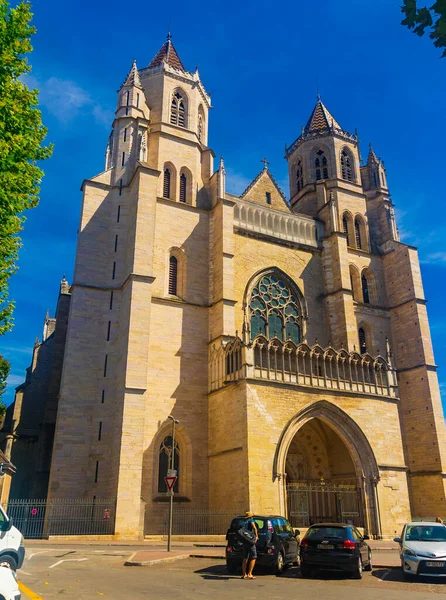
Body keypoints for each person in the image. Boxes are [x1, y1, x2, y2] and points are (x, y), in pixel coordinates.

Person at [241, 511, 258, 580]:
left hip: (245, 541)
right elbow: (254, 527)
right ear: (251, 516)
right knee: (253, 556)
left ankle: (244, 574)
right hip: (250, 541)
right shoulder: (251, 520)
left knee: (245, 557)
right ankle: (250, 573)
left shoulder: (243, 522)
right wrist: (256, 536)